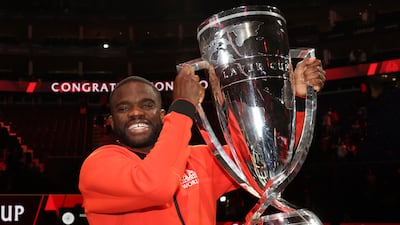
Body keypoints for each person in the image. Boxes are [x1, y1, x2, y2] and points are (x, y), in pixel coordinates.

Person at [78, 57, 326, 225]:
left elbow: (266, 160)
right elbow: (156, 186)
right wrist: (184, 107)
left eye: (147, 105)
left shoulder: (196, 159)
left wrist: (299, 97)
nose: (135, 113)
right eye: (123, 108)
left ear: (162, 115)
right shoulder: (99, 166)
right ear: (110, 121)